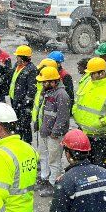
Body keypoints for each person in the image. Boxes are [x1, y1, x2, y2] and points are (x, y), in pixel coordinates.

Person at [72, 57, 106, 171]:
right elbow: (78, 100)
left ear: (102, 73)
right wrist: (75, 112)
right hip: (85, 134)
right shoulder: (87, 82)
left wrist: (101, 122)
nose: (90, 76)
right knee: (84, 168)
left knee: (101, 168)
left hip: (103, 137)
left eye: (92, 74)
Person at [35, 66, 71, 196]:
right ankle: (44, 178)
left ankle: (53, 184)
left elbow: (62, 117)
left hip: (54, 135)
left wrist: (55, 132)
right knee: (44, 157)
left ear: (54, 81)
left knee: (54, 160)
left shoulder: (61, 95)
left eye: (45, 82)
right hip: (45, 132)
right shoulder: (48, 92)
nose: (43, 84)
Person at [9, 45, 38, 144]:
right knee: (17, 124)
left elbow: (32, 89)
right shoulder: (17, 66)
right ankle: (18, 142)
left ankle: (27, 144)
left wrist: (26, 103)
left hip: (24, 104)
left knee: (24, 125)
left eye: (18, 56)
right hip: (15, 101)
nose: (16, 58)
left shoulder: (32, 69)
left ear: (23, 57)